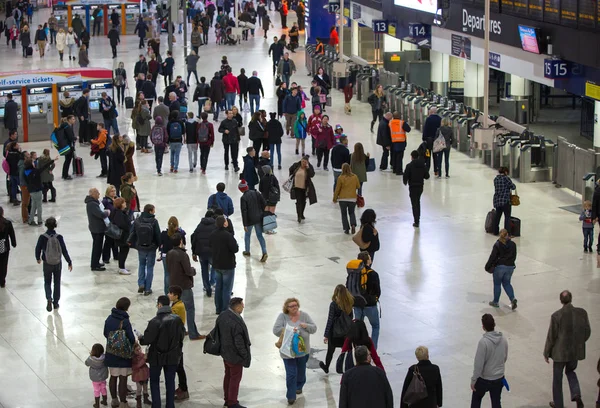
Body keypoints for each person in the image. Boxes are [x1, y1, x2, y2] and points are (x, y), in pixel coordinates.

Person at [543, 290, 591, 408]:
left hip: (560, 354)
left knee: (557, 379)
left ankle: (558, 404)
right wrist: (579, 343)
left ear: (561, 301)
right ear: (571, 298)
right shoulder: (582, 313)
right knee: (570, 371)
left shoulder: (556, 316)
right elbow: (587, 331)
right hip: (574, 352)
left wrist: (546, 352)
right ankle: (576, 394)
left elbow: (551, 337)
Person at [138, 295, 185, 408]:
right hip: (173, 356)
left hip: (156, 357)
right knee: (170, 381)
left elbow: (147, 340)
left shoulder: (154, 322)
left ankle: (157, 405)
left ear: (159, 305)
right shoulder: (177, 319)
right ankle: (170, 405)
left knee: (154, 381)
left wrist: (141, 338)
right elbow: (181, 336)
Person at [273, 298, 317, 405]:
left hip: (302, 352)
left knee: (301, 372)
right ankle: (291, 396)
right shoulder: (282, 317)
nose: (295, 307)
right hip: (288, 353)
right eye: (292, 306)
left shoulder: (304, 316)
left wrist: (306, 326)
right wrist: (287, 330)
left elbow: (314, 328)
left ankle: (299, 386)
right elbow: (276, 330)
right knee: (291, 374)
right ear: (287, 308)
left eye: (296, 305)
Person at [215, 297, 251, 408]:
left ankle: (227, 399)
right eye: (242, 305)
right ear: (237, 306)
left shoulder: (222, 315)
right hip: (235, 356)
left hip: (225, 353)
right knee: (235, 378)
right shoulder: (236, 322)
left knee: (228, 376)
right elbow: (239, 343)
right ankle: (232, 402)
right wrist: (245, 356)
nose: (243, 306)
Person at [470, 314, 509, 408]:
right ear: (494, 324)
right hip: (499, 377)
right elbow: (504, 358)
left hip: (485, 379)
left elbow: (478, 364)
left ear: (483, 327)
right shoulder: (503, 339)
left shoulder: (483, 342)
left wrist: (474, 380)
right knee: (496, 402)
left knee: (476, 399)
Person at [35, 216, 72, 310]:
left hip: (47, 262)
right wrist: (69, 261)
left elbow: (38, 248)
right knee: (57, 282)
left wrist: (38, 258)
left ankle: (48, 298)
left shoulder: (42, 237)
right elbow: (64, 250)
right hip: (57, 263)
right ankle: (56, 303)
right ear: (55, 225)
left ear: (46, 225)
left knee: (47, 282)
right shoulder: (59, 237)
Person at [103, 297, 135, 408]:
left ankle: (114, 400)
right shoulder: (125, 321)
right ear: (126, 307)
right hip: (124, 354)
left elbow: (105, 333)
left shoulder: (109, 318)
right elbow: (131, 337)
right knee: (123, 377)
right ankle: (123, 402)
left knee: (113, 376)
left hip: (111, 353)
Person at [318, 285, 354, 373]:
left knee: (330, 351)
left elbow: (330, 320)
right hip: (345, 333)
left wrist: (326, 334)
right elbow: (350, 319)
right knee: (346, 350)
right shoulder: (349, 304)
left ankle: (326, 367)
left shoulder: (333, 304)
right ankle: (348, 367)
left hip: (334, 332)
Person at [128, 204, 161, 296]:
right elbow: (158, 235)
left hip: (141, 247)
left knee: (141, 265)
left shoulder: (137, 220)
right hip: (151, 247)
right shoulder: (154, 221)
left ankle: (141, 283)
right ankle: (147, 288)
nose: (154, 212)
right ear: (150, 211)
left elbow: (132, 232)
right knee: (150, 267)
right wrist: (160, 246)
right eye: (153, 210)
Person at [210, 215, 239, 314]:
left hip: (217, 265)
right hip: (228, 265)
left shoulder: (213, 234)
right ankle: (225, 310)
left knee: (218, 287)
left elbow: (210, 246)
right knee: (227, 289)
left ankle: (218, 309)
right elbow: (235, 249)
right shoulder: (227, 235)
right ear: (224, 223)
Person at [352, 251, 381, 347]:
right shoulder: (373, 274)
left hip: (357, 305)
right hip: (370, 305)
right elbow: (378, 291)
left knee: (358, 328)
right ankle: (373, 350)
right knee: (375, 326)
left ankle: (359, 349)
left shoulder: (355, 273)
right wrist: (375, 299)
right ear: (368, 261)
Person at [485, 229, 518, 309]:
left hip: (500, 267)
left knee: (497, 284)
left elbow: (493, 257)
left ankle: (495, 302)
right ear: (508, 235)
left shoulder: (498, 244)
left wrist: (487, 266)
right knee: (507, 283)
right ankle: (512, 298)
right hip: (510, 267)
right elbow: (514, 256)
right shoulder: (513, 244)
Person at [191, 210, 217, 296]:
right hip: (212, 252)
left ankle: (207, 287)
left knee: (204, 270)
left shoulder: (199, 226)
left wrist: (193, 252)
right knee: (215, 267)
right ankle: (213, 282)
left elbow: (193, 238)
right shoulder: (215, 226)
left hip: (201, 252)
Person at [159, 217, 186, 295]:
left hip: (165, 256)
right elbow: (184, 243)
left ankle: (167, 292)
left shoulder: (163, 234)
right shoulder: (180, 234)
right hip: (177, 255)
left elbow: (161, 244)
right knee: (177, 273)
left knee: (167, 274)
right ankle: (176, 292)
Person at [240, 185, 268, 262]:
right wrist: (261, 211)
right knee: (260, 236)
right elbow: (264, 203)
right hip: (259, 218)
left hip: (249, 220)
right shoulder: (257, 193)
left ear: (241, 190)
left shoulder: (243, 198)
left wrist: (245, 224)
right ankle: (264, 252)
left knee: (247, 235)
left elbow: (244, 211)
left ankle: (247, 251)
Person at [403, 150, 430, 228]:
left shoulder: (409, 166)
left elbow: (405, 176)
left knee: (414, 204)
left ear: (412, 157)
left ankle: (416, 221)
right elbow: (427, 176)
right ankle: (418, 219)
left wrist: (405, 182)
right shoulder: (423, 165)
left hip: (412, 187)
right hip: (420, 187)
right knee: (417, 202)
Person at [333, 163, 360, 234]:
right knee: (352, 212)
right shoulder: (355, 177)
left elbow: (337, 189)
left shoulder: (340, 177)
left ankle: (346, 228)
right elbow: (358, 186)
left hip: (342, 199)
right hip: (352, 198)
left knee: (344, 214)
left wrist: (335, 198)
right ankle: (353, 224)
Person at [86, 188, 109, 271]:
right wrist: (107, 212)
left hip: (97, 227)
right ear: (93, 194)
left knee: (98, 247)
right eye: (97, 193)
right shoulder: (92, 204)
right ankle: (94, 265)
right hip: (97, 229)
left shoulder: (93, 202)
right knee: (97, 247)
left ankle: (96, 262)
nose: (99, 194)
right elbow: (100, 214)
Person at [289, 156, 317, 223]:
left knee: (303, 201)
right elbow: (290, 169)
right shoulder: (296, 165)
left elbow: (312, 175)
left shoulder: (309, 167)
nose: (303, 163)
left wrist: (308, 168)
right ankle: (298, 216)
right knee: (298, 201)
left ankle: (301, 214)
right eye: (302, 161)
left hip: (305, 188)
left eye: (305, 162)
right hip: (296, 187)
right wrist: (291, 177)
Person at [492, 167, 516, 236]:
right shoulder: (506, 178)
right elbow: (513, 187)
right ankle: (507, 233)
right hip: (505, 200)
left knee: (497, 216)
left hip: (497, 200)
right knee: (507, 217)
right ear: (505, 172)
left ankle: (495, 231)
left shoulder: (495, 179)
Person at [110, 198, 131, 275]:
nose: (125, 203)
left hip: (122, 236)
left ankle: (122, 267)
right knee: (123, 251)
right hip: (123, 236)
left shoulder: (119, 212)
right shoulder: (119, 214)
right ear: (121, 204)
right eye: (124, 202)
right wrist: (129, 225)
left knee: (123, 251)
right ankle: (121, 268)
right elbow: (122, 224)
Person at [85, 343, 109, 408]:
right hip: (103, 376)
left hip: (95, 378)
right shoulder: (105, 357)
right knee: (103, 388)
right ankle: (104, 401)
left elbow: (86, 363)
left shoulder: (91, 359)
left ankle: (97, 404)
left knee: (96, 390)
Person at [390, 111, 412, 176]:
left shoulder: (390, 123)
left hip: (393, 141)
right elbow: (408, 129)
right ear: (399, 116)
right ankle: (399, 171)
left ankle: (394, 169)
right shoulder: (402, 123)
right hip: (400, 142)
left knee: (394, 156)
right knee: (400, 157)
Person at [131, 341, 152, 407]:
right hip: (138, 376)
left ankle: (146, 399)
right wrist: (144, 359)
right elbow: (137, 366)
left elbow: (147, 360)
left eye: (139, 349)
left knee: (145, 388)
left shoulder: (142, 355)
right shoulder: (133, 359)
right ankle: (138, 402)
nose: (139, 351)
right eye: (137, 350)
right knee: (139, 389)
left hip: (144, 375)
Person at [0, 207, 16, 288]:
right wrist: (14, 243)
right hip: (4, 246)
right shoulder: (7, 223)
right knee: (4, 263)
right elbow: (12, 234)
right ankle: (2, 280)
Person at [422, 106, 442, 174]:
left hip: (429, 140)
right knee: (435, 155)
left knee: (428, 154)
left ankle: (427, 169)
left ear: (432, 111)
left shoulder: (428, 119)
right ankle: (436, 170)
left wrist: (424, 138)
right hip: (437, 140)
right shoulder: (439, 119)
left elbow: (425, 129)